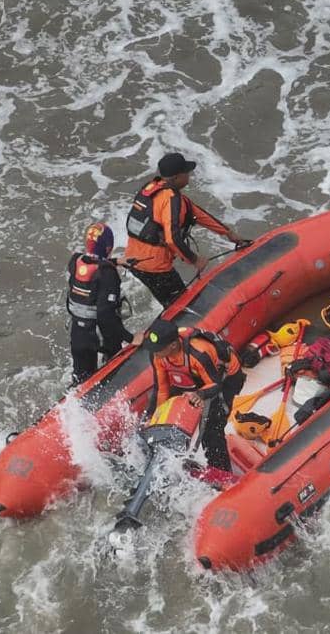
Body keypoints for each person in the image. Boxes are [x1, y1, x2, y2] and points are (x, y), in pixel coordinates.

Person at [124, 153, 247, 306]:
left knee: (172, 302)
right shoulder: (171, 199)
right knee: (182, 305)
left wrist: (228, 233)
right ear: (177, 177)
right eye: (186, 173)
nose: (189, 175)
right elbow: (172, 238)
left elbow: (196, 212)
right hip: (155, 267)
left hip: (133, 260)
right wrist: (195, 260)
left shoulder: (152, 188)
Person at [143, 318, 245, 471]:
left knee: (212, 428)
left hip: (223, 379)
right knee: (149, 418)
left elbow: (215, 384)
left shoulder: (199, 353)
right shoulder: (157, 355)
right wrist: (153, 417)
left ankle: (221, 472)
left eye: (158, 349)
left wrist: (200, 394)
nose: (155, 352)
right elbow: (161, 389)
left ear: (173, 345)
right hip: (194, 377)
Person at [66, 222, 137, 386]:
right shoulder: (108, 274)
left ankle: (71, 407)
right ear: (108, 246)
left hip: (78, 333)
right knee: (117, 374)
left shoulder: (75, 261)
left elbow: (93, 261)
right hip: (100, 335)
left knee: (80, 381)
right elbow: (106, 316)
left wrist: (115, 261)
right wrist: (131, 338)